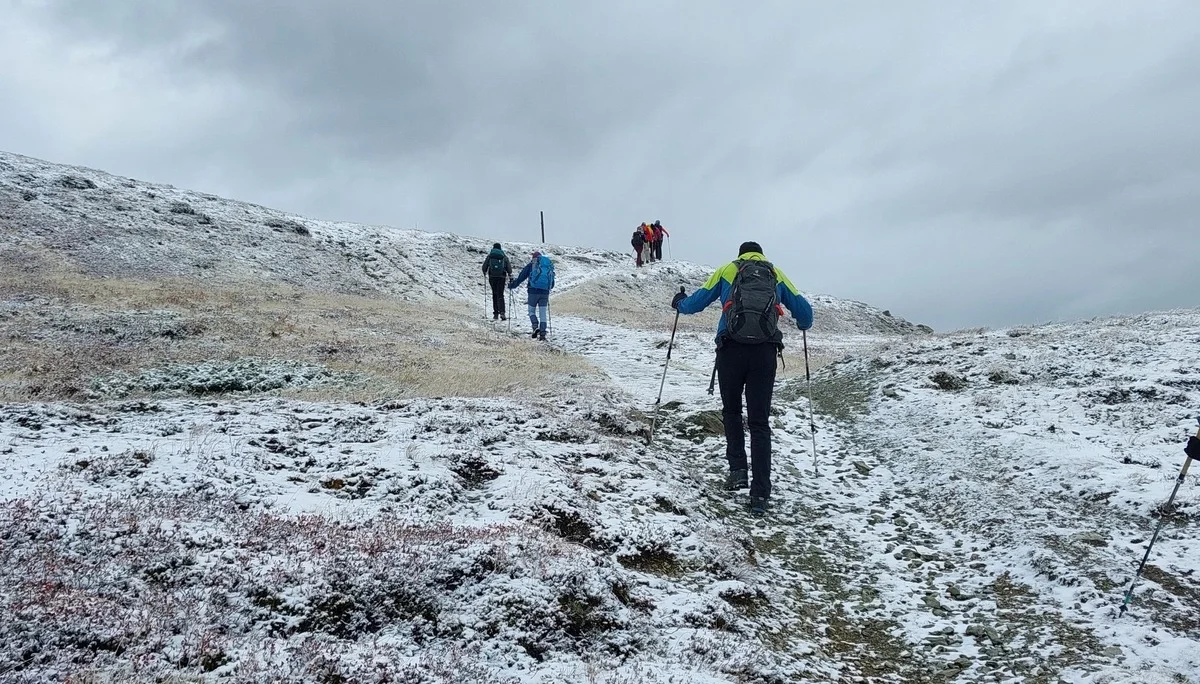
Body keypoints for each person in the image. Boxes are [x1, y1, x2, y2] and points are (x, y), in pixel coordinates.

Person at [670, 241, 813, 515]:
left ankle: (737, 472)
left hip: (731, 350)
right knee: (759, 422)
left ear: (740, 254)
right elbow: (805, 313)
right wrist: (804, 324)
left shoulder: (727, 270)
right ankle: (760, 495)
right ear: (761, 254)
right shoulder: (776, 274)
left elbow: (696, 303)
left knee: (732, 411)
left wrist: (679, 302)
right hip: (764, 353)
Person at [509, 250, 556, 340]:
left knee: (531, 311)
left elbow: (521, 278)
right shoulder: (547, 266)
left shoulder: (531, 265)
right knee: (543, 313)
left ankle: (535, 326)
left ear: (533, 258)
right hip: (545, 293)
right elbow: (552, 284)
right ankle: (542, 334)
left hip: (533, 291)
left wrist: (512, 285)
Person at [481, 242, 512, 320]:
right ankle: (502, 312)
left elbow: (484, 267)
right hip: (501, 277)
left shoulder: (490, 256)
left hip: (492, 277)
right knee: (500, 294)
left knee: (494, 294)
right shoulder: (504, 256)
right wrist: (509, 274)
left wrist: (485, 272)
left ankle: (495, 314)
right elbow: (509, 269)